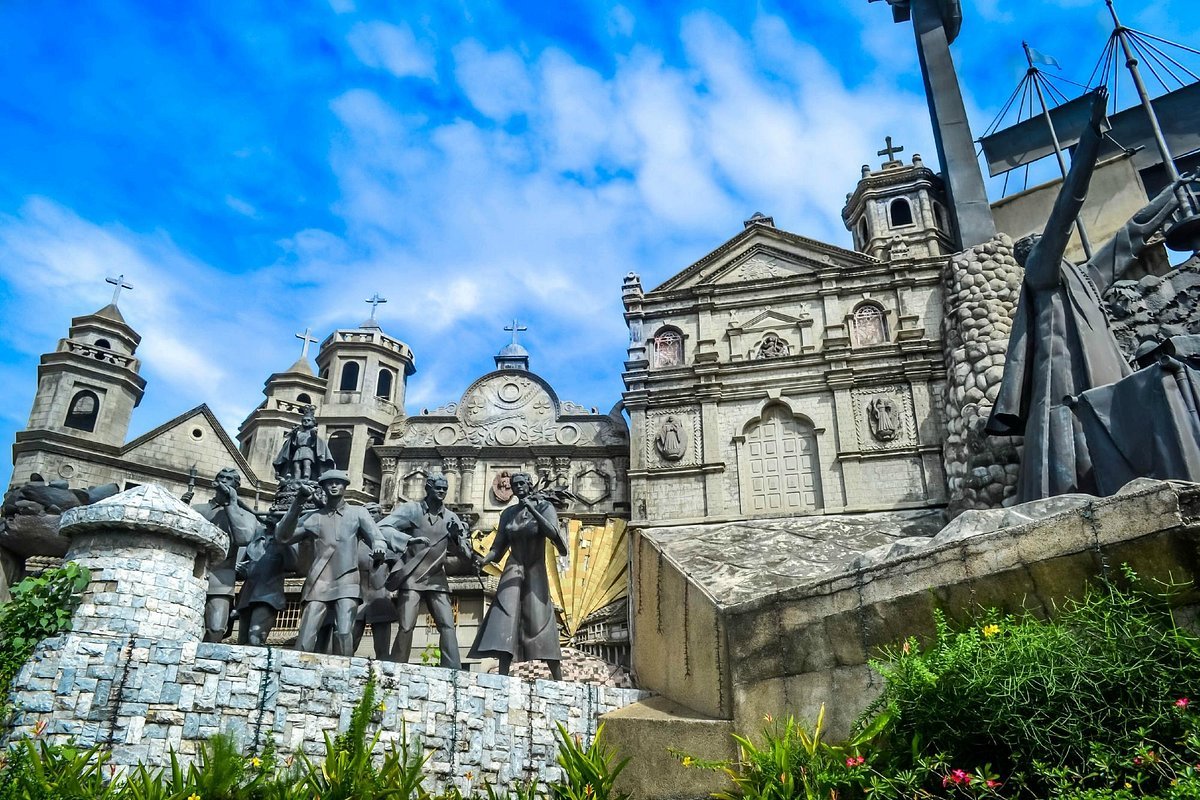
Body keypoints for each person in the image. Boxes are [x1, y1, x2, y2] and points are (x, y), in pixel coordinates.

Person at [985, 86, 1195, 501]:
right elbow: (1068, 204)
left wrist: (1170, 197)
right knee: (1076, 458)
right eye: (1039, 243)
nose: (1046, 242)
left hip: (1105, 373)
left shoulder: (1080, 280)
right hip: (1066, 379)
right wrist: (1090, 137)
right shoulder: (1041, 273)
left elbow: (1128, 239)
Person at [274, 469, 387, 655]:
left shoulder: (358, 513)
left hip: (348, 579)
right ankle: (299, 669)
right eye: (329, 483)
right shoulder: (315, 517)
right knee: (307, 633)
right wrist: (298, 502)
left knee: (344, 632)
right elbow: (282, 537)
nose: (334, 486)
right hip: (319, 580)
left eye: (338, 482)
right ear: (323, 487)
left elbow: (377, 537)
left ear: (345, 486)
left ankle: (344, 670)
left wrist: (379, 547)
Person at [468, 472, 568, 680]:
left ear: (530, 485)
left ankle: (558, 677)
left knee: (539, 617)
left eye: (522, 483)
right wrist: (483, 560)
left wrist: (533, 509)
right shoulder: (508, 513)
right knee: (505, 615)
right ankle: (503, 675)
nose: (518, 487)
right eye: (515, 485)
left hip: (535, 568)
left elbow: (553, 534)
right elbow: (498, 548)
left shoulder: (544, 507)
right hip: (514, 566)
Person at [380, 475, 478, 668]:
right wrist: (407, 540)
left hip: (436, 578)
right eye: (438, 488)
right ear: (428, 488)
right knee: (406, 625)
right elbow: (382, 527)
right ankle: (397, 667)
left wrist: (457, 539)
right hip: (412, 577)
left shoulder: (451, 517)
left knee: (447, 625)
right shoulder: (412, 510)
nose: (441, 492)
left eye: (444, 489)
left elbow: (467, 554)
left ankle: (453, 670)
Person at [192, 468, 258, 642]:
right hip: (193, 573)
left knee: (216, 628)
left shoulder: (246, 516)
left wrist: (231, 504)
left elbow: (244, 538)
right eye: (221, 477)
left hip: (221, 579)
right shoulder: (197, 510)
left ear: (236, 486)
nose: (224, 481)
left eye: (229, 479)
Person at [234, 517, 293, 646]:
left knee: (255, 639)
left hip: (268, 596)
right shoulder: (255, 537)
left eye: (275, 513)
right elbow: (243, 567)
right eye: (270, 511)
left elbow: (295, 565)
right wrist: (240, 569)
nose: (270, 515)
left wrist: (282, 538)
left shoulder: (287, 541)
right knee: (242, 642)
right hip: (247, 595)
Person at [353, 502, 401, 660]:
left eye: (374, 512)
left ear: (381, 515)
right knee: (347, 645)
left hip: (381, 599)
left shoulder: (388, 543)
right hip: (357, 599)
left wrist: (393, 587)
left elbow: (400, 567)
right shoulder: (354, 542)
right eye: (367, 513)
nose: (371, 516)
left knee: (382, 651)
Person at [272, 407, 334, 482]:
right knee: (296, 465)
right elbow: (293, 445)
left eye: (308, 420)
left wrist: (313, 434)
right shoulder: (299, 434)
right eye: (304, 420)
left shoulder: (313, 433)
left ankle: (306, 478)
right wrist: (294, 435)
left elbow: (315, 444)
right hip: (298, 451)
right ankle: (296, 479)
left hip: (308, 451)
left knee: (306, 465)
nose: (306, 422)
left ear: (313, 423)